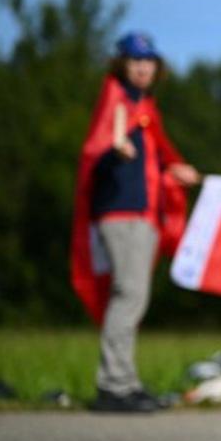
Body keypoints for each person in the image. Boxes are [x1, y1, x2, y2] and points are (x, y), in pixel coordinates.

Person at [70, 32, 200, 413]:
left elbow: (154, 162)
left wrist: (173, 169)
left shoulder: (144, 107)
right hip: (122, 214)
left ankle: (125, 381)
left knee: (133, 297)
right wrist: (115, 154)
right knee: (128, 295)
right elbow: (95, 157)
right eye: (135, 60)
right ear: (121, 64)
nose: (143, 67)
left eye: (148, 60)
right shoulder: (116, 101)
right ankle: (113, 385)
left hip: (143, 215)